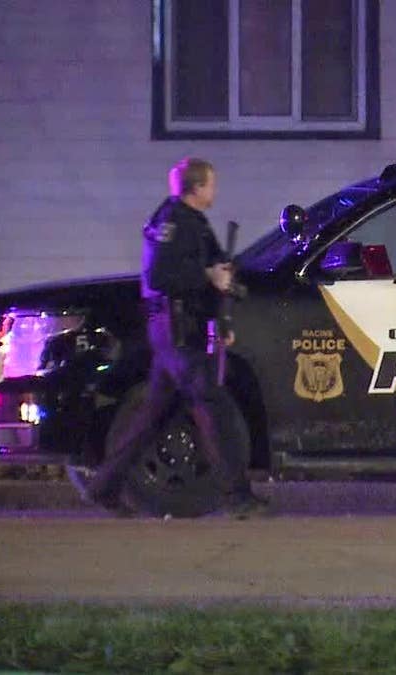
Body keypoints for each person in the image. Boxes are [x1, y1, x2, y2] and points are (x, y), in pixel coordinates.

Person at [84, 157, 263, 517]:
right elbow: (161, 278)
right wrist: (209, 278)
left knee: (153, 416)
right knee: (213, 409)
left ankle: (104, 485)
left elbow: (211, 265)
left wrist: (224, 286)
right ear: (197, 188)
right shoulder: (175, 223)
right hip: (179, 332)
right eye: (211, 184)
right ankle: (238, 498)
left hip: (178, 331)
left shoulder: (188, 221)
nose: (215, 190)